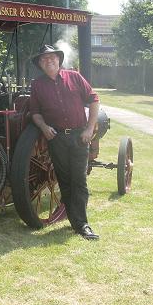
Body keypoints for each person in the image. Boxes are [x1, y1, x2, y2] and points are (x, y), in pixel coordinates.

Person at [29, 44, 100, 240]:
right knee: (65, 181)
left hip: (79, 136)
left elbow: (94, 99)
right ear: (40, 64)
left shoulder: (74, 77)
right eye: (44, 59)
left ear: (59, 60)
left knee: (79, 180)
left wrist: (89, 128)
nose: (49, 61)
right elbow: (35, 112)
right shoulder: (37, 85)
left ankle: (82, 224)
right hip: (57, 138)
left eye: (52, 57)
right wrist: (44, 127)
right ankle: (74, 219)